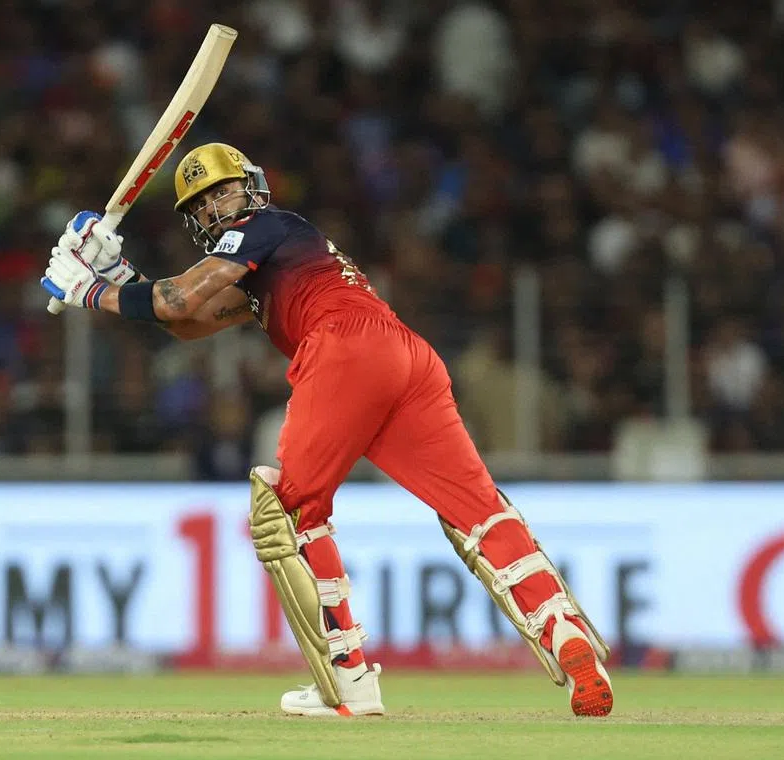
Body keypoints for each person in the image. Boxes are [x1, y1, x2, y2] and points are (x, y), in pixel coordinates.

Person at [40, 143, 613, 717]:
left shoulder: (261, 227)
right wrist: (115, 273)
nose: (221, 202)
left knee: (287, 513)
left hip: (344, 349)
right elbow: (187, 321)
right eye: (208, 198)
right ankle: (566, 635)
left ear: (249, 187)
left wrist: (90, 290)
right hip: (405, 356)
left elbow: (179, 297)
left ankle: (348, 681)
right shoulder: (269, 250)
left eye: (224, 188)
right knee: (478, 510)